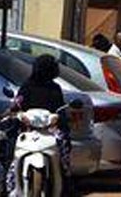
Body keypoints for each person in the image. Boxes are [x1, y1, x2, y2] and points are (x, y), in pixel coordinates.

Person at [6, 54, 72, 195]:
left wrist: (59, 119)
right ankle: (11, 186)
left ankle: (64, 186)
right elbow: (17, 105)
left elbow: (61, 111)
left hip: (50, 131)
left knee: (63, 153)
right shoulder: (27, 86)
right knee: (11, 152)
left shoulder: (55, 88)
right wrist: (17, 114)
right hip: (28, 131)